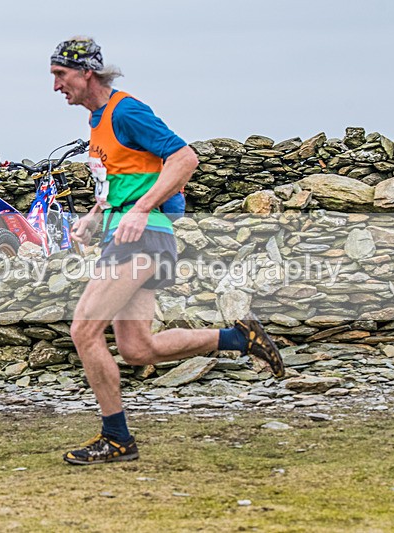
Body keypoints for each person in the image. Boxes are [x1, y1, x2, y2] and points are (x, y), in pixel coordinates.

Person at [50, 37, 285, 465]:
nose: (55, 86)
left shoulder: (127, 111)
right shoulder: (99, 122)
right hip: (126, 233)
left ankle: (117, 439)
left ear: (86, 73)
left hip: (141, 237)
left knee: (84, 331)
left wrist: (140, 210)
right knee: (139, 349)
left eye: (60, 75)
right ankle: (239, 338)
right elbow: (122, 184)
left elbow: (184, 158)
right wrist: (94, 215)